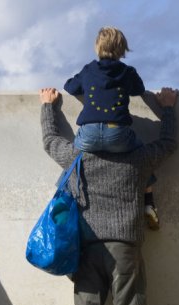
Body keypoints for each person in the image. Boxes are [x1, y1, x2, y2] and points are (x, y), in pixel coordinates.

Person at [39, 85, 177, 305]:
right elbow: (169, 144)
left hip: (86, 249)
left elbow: (49, 141)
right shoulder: (138, 157)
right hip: (126, 247)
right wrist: (168, 109)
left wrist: (48, 108)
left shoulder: (78, 157)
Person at [63, 26, 161, 230]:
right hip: (118, 133)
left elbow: (70, 87)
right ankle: (148, 201)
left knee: (73, 158)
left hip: (89, 133)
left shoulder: (89, 69)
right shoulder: (127, 72)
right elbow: (139, 89)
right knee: (142, 155)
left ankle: (67, 196)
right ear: (122, 48)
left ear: (97, 47)